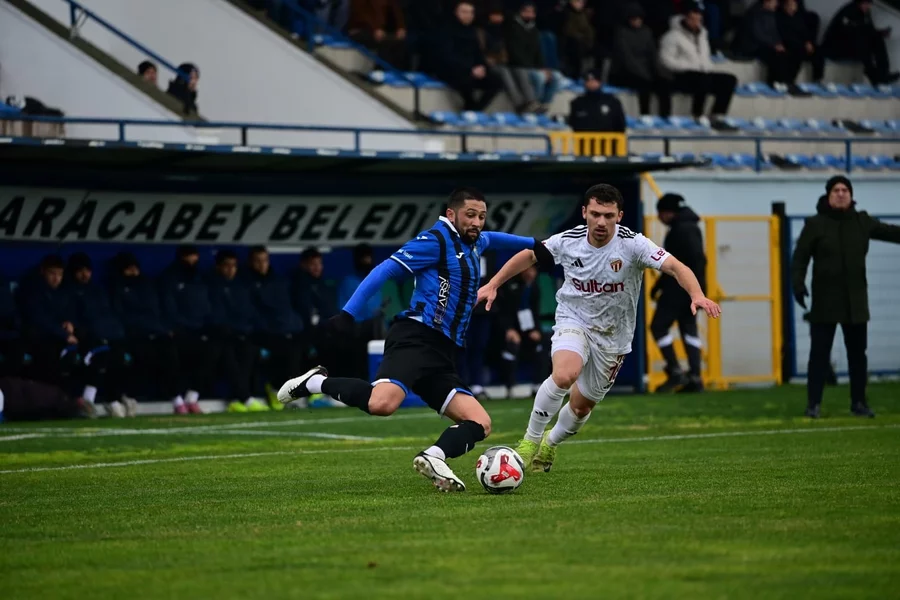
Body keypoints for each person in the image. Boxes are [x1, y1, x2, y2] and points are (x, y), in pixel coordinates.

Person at [277, 187, 554, 492]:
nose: (477, 222)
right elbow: (385, 270)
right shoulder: (435, 240)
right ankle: (315, 382)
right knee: (382, 404)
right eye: (470, 215)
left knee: (480, 423)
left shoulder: (477, 241)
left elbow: (501, 239)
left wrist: (536, 244)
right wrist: (348, 313)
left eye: (481, 216)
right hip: (417, 335)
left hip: (443, 352)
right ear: (451, 214)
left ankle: (433, 456)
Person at [478, 184, 721, 472]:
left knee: (581, 407)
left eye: (608, 215)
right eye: (595, 214)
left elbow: (676, 267)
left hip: (613, 337)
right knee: (564, 374)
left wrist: (697, 294)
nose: (601, 222)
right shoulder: (568, 240)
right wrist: (493, 284)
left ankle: (549, 443)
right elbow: (530, 255)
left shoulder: (634, 244)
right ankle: (529, 443)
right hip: (574, 319)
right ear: (585, 213)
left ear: (619, 216)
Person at [791, 176, 900, 419]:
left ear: (851, 195)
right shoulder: (815, 224)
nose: (841, 194)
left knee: (858, 357)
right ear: (828, 195)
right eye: (836, 190)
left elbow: (892, 232)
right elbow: (800, 258)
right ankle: (813, 404)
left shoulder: (861, 221)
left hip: (856, 302)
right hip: (825, 301)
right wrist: (797, 285)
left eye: (845, 190)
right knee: (819, 355)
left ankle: (859, 403)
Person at [649, 193, 707, 393]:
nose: (659, 218)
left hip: (677, 290)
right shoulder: (691, 227)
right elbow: (698, 261)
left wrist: (659, 286)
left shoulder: (680, 230)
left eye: (660, 213)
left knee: (658, 326)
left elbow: (675, 265)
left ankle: (675, 371)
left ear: (668, 212)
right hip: (690, 290)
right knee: (689, 329)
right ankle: (695, 376)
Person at [658, 3, 737, 127]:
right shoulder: (672, 36)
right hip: (681, 75)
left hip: (702, 72)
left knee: (729, 80)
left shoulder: (702, 35)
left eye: (698, 19)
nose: (696, 22)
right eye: (693, 19)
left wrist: (706, 66)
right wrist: (688, 66)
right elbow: (665, 60)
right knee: (702, 79)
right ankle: (697, 114)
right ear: (686, 18)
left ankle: (717, 115)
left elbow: (704, 56)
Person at [208, 250, 266, 413]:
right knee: (227, 352)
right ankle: (244, 398)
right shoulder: (212, 286)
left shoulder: (240, 286)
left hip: (240, 333)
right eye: (226, 266)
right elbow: (215, 315)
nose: (230, 269)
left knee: (250, 349)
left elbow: (247, 312)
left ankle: (237, 398)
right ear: (218, 267)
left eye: (233, 266)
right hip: (219, 334)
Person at [608, 3, 672, 118]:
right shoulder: (621, 33)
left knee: (663, 83)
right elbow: (627, 58)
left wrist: (658, 72)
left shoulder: (646, 32)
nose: (637, 21)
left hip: (645, 69)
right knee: (644, 84)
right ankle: (645, 115)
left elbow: (652, 54)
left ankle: (666, 116)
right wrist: (644, 74)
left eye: (639, 19)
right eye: (634, 19)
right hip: (624, 72)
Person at [495, 264, 549, 396]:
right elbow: (503, 311)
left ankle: (539, 384)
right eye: (527, 269)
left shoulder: (534, 287)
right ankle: (510, 385)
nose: (530, 273)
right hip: (511, 329)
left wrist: (535, 330)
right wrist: (509, 329)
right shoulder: (510, 285)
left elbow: (535, 312)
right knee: (511, 346)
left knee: (543, 343)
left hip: (528, 328)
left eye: (533, 270)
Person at [821, 0, 898, 86]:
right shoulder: (849, 11)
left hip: (852, 45)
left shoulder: (865, 12)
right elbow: (852, 33)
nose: (869, 7)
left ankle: (883, 74)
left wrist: (881, 33)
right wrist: (871, 34)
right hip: (836, 48)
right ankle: (875, 77)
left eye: (870, 4)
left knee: (877, 40)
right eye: (866, 4)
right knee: (862, 43)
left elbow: (868, 30)